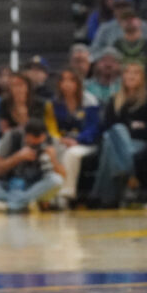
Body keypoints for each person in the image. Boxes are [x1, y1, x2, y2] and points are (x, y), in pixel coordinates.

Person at [89, 62, 147, 207]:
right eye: (128, 72)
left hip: (139, 142)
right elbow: (107, 125)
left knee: (112, 138)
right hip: (117, 141)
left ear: (142, 78)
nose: (131, 76)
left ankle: (101, 196)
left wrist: (126, 128)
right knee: (113, 135)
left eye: (135, 73)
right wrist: (132, 126)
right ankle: (129, 174)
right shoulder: (114, 99)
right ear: (123, 76)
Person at [0, 118, 64, 212]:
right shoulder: (12, 136)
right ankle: (23, 203)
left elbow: (63, 177)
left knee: (56, 181)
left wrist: (53, 159)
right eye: (31, 143)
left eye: (38, 144)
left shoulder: (52, 142)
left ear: (44, 136)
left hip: (34, 187)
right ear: (25, 135)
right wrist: (17, 157)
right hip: (7, 185)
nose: (35, 147)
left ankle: (9, 204)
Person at [45, 68, 102, 207]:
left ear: (78, 83)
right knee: (52, 153)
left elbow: (94, 127)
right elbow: (51, 128)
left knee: (71, 154)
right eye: (63, 80)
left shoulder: (90, 100)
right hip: (62, 142)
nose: (67, 83)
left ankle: (66, 194)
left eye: (71, 80)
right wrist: (60, 139)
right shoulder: (53, 103)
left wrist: (78, 140)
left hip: (86, 143)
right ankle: (50, 195)